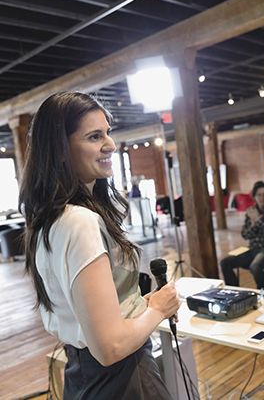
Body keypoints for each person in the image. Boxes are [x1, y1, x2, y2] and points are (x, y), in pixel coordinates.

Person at [19, 92, 181, 399]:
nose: (109, 144)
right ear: (62, 150)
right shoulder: (78, 221)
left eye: (108, 133)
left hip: (82, 375)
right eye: (94, 136)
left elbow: (96, 316)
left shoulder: (51, 219)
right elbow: (110, 347)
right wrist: (158, 309)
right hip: (122, 378)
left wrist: (143, 305)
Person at [220, 181, 264, 289]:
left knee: (255, 266)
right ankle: (235, 293)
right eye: (259, 195)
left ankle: (263, 294)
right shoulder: (251, 211)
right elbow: (245, 235)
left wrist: (258, 219)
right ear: (254, 196)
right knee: (225, 262)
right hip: (252, 248)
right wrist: (253, 225)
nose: (262, 198)